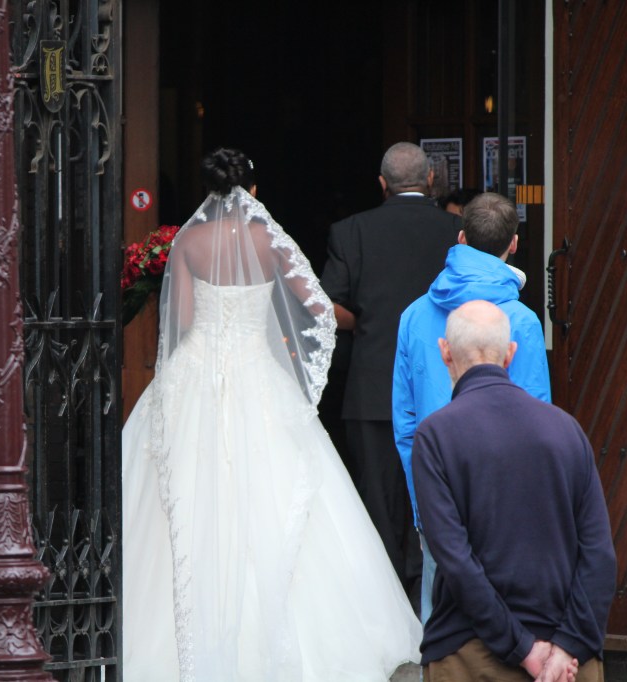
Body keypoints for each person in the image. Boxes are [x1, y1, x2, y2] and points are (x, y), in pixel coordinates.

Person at [122, 148, 422, 681]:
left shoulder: (189, 241)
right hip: (259, 374)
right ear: (253, 190)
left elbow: (184, 320)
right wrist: (295, 361)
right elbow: (318, 308)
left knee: (187, 496)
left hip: (197, 373)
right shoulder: (269, 240)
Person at [413, 300, 615, 682]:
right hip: (568, 663)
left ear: (444, 352)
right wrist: (568, 646)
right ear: (510, 354)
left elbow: (455, 562)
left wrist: (523, 649)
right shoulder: (566, 429)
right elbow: (600, 556)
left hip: (472, 657)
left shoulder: (436, 437)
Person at [393, 191, 551, 623]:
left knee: (439, 620)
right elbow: (536, 420)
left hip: (435, 485)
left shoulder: (413, 315)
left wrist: (420, 499)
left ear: (460, 238)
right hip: (505, 498)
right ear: (513, 245)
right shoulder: (520, 321)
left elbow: (405, 423)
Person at [320, 141, 461, 603]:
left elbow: (327, 307)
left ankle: (386, 603)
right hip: (445, 383)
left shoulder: (350, 231)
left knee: (378, 503)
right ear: (431, 180)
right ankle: (429, 596)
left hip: (373, 385)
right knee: (438, 497)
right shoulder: (456, 231)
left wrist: (363, 321)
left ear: (381, 184)